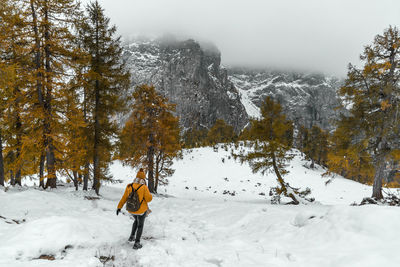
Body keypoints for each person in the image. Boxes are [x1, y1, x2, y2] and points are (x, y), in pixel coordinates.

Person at [117, 168, 153, 249]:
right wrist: (150, 195)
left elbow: (124, 197)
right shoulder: (144, 187)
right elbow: (148, 199)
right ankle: (137, 243)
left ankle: (132, 236)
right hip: (141, 210)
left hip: (131, 209)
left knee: (136, 221)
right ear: (143, 178)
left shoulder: (129, 186)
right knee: (140, 225)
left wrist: (119, 207)